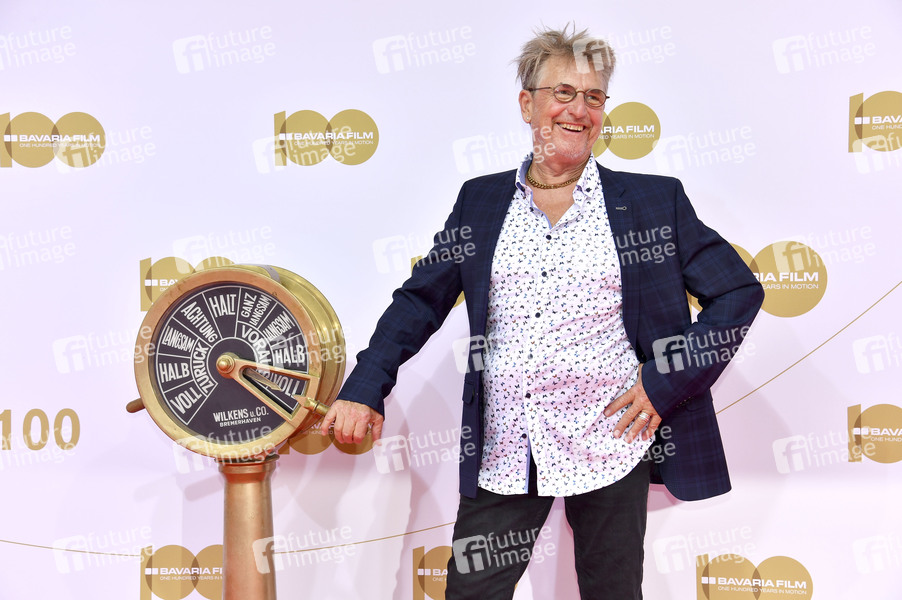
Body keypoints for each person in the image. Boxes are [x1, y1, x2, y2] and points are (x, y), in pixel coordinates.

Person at [321, 25, 764, 599]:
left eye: (594, 96)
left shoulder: (653, 201)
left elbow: (737, 293)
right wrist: (365, 387)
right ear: (527, 104)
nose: (579, 110)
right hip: (507, 444)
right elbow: (420, 300)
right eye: (563, 93)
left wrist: (665, 383)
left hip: (612, 441)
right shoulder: (481, 201)